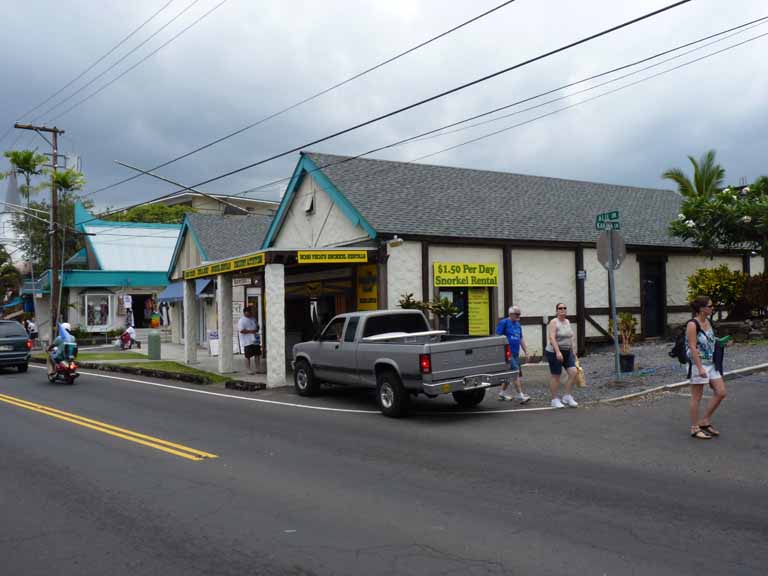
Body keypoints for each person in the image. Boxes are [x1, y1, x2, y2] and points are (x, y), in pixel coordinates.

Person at [686, 295, 728, 440]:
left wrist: (721, 343)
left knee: (721, 392)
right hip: (698, 364)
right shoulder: (692, 324)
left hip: (711, 363)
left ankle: (704, 420)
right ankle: (694, 428)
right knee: (696, 397)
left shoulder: (709, 321)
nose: (712, 308)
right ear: (701, 309)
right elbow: (692, 347)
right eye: (710, 306)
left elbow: (710, 339)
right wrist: (700, 368)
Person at [545, 302, 579, 408]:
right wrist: (558, 352)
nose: (563, 309)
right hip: (554, 351)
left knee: (573, 372)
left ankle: (567, 396)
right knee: (556, 375)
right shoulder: (554, 322)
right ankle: (554, 399)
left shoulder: (567, 321)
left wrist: (573, 349)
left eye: (564, 308)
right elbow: (552, 338)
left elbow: (571, 336)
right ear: (556, 311)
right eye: (560, 308)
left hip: (567, 351)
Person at [495, 305, 531, 403]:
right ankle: (520, 395)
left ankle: (502, 394)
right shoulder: (504, 323)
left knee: (509, 374)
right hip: (507, 354)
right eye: (517, 314)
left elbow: (520, 338)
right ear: (511, 314)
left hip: (515, 353)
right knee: (515, 372)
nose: (519, 316)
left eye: (520, 314)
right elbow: (498, 337)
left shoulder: (518, 324)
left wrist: (526, 351)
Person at [238, 306, 261, 375]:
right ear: (245, 312)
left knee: (257, 354)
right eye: (249, 312)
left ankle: (258, 369)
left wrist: (257, 328)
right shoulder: (242, 320)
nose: (251, 313)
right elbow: (241, 330)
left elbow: (257, 326)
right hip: (247, 341)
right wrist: (251, 331)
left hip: (255, 340)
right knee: (248, 356)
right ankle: (248, 369)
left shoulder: (253, 318)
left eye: (251, 312)